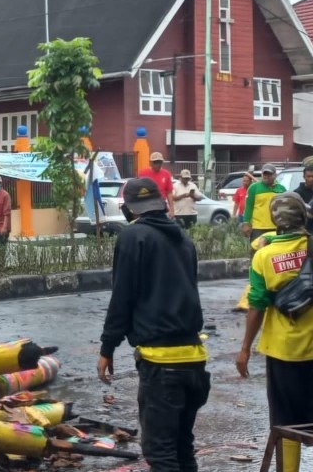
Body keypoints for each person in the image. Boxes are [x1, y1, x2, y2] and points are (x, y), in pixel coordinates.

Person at [97, 177, 210, 471]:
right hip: (195, 362)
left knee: (160, 453)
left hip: (162, 367)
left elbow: (122, 298)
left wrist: (107, 347)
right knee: (183, 447)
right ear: (161, 204)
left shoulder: (133, 237)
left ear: (130, 209)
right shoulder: (184, 239)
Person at [237, 192, 313, 472]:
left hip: (283, 353)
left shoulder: (264, 255)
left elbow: (257, 305)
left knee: (285, 421)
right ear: (305, 217)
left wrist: (245, 348)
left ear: (275, 221)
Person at [241, 163, 286, 244]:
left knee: (274, 255)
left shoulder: (282, 189)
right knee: (257, 253)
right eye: (265, 174)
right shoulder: (253, 188)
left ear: (275, 175)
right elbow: (248, 207)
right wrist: (246, 223)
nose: (266, 176)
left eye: (269, 174)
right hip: (258, 228)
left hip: (276, 228)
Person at [138, 152, 175, 218]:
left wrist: (172, 209)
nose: (158, 164)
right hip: (146, 207)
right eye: (155, 162)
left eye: (160, 162)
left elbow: (169, 193)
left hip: (161, 207)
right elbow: (138, 191)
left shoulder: (166, 174)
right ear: (150, 163)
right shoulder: (142, 173)